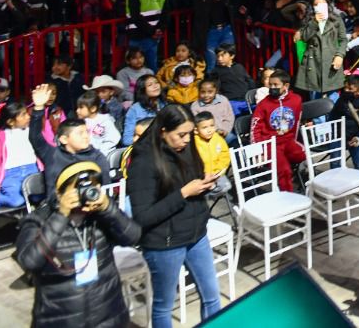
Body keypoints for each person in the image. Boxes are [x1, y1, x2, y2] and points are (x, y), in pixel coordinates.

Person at [13, 160, 143, 328]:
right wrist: (61, 216)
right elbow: (29, 262)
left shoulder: (100, 216)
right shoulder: (38, 220)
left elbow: (133, 236)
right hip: (61, 319)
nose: (84, 194)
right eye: (77, 189)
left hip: (108, 316)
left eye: (92, 188)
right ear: (59, 194)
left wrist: (108, 208)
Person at [126, 105, 222, 328]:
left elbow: (192, 180)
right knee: (163, 306)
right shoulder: (143, 162)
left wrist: (205, 183)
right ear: (162, 132)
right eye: (181, 135)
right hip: (164, 243)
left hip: (196, 233)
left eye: (190, 133)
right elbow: (142, 217)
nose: (187, 139)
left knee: (212, 296)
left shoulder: (185, 147)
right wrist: (184, 193)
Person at [29, 85, 112, 193]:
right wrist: (38, 107)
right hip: (59, 208)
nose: (86, 136)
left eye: (86, 132)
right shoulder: (52, 155)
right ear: (64, 139)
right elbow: (35, 137)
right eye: (80, 133)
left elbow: (105, 188)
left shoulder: (97, 156)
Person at [250, 69, 305, 192]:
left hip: (288, 139)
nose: (272, 88)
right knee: (284, 170)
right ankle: (288, 196)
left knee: (303, 154)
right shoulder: (263, 104)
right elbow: (255, 128)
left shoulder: (296, 100)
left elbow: (296, 122)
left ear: (286, 86)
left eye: (276, 85)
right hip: (270, 143)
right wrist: (258, 151)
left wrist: (294, 140)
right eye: (270, 85)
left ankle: (307, 183)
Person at [0, 101, 41, 209]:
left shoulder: (32, 131)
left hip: (33, 170)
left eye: (27, 113)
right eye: (23, 115)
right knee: (17, 201)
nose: (28, 116)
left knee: (40, 198)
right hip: (11, 175)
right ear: (10, 122)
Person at [295, 0, 347, 99]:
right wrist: (314, 22)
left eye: (323, 4)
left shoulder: (336, 19)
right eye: (316, 5)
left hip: (331, 61)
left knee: (333, 99)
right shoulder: (308, 20)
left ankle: (333, 115)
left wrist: (340, 55)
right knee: (316, 100)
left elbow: (343, 39)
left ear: (327, 5)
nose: (320, 7)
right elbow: (304, 37)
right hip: (313, 63)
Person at [125, 0, 166, 72]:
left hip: (139, 35)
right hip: (155, 35)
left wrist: (151, 31)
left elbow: (135, 16)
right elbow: (166, 14)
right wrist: (158, 30)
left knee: (135, 68)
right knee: (152, 65)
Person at [328, 75, 359, 170]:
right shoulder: (342, 100)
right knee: (335, 162)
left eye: (350, 88)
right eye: (345, 87)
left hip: (354, 136)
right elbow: (333, 115)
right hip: (338, 135)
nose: (346, 90)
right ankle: (334, 182)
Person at [193, 0, 234, 72]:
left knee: (227, 59)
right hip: (211, 32)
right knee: (212, 61)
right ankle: (212, 84)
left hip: (226, 30)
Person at [192, 112, 231, 196]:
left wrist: (219, 170)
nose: (209, 130)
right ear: (196, 130)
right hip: (201, 176)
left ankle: (211, 193)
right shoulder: (194, 143)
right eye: (204, 127)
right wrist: (203, 174)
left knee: (226, 186)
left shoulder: (218, 139)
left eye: (212, 126)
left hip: (217, 173)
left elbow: (225, 155)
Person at [75, 90, 121, 156]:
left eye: (81, 108)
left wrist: (101, 151)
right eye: (77, 107)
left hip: (104, 155)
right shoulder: (81, 123)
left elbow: (114, 137)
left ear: (93, 108)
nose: (77, 110)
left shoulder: (105, 121)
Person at [189, 76, 236, 140]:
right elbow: (197, 125)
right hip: (206, 137)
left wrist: (225, 130)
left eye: (210, 92)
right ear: (198, 92)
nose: (206, 95)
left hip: (225, 133)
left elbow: (229, 117)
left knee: (234, 140)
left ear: (216, 91)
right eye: (203, 92)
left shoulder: (223, 100)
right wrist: (213, 133)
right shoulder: (195, 107)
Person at [124, 75, 166, 146]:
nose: (155, 86)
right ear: (142, 90)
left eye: (156, 83)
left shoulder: (166, 104)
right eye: (150, 85)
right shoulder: (134, 109)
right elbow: (127, 140)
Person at [213, 44, 254, 110]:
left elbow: (249, 81)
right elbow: (216, 88)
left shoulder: (239, 67)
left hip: (246, 99)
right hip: (231, 101)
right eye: (218, 56)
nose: (219, 58)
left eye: (222, 56)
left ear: (232, 56)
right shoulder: (215, 71)